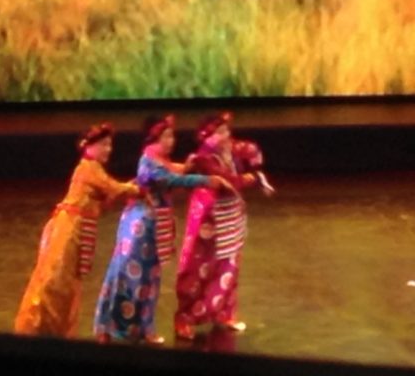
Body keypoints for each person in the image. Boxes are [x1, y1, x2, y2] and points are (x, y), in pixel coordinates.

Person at [93, 114, 235, 345]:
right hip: (139, 226)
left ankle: (146, 328)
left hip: (156, 225)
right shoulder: (148, 163)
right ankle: (107, 325)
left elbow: (173, 170)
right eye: (166, 136)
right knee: (127, 275)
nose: (171, 141)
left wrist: (186, 167)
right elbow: (171, 179)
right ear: (153, 139)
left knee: (152, 278)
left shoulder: (160, 159)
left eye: (172, 136)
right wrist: (206, 180)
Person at [14, 123, 140, 338]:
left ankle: (58, 326)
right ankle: (39, 325)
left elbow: (106, 196)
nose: (108, 149)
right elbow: (112, 187)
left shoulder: (94, 169)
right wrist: (135, 188)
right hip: (69, 228)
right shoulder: (87, 168)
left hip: (78, 227)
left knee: (69, 281)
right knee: (56, 279)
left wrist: (126, 189)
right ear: (88, 146)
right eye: (103, 144)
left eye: (110, 145)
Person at [173, 111, 274, 341]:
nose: (224, 136)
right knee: (198, 270)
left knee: (229, 266)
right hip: (209, 219)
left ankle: (224, 313)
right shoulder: (203, 158)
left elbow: (252, 149)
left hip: (231, 215)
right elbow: (227, 180)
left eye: (226, 131)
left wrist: (255, 164)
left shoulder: (228, 149)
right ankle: (184, 319)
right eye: (218, 132)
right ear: (205, 137)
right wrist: (250, 178)